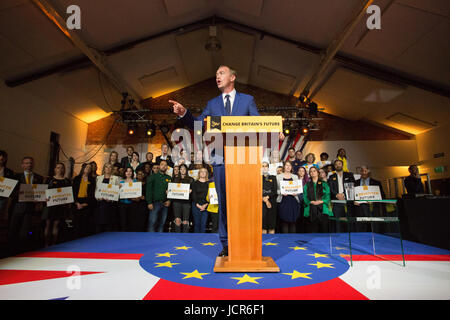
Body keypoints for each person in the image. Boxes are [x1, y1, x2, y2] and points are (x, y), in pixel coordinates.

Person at [171, 65, 285, 256]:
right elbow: (198, 126)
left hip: (244, 162)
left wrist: (273, 131)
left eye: (221, 73)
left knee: (244, 203)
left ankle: (247, 243)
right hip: (221, 161)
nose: (217, 76)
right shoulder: (212, 104)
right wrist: (184, 113)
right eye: (215, 74)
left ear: (233, 77)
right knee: (224, 205)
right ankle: (226, 245)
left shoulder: (247, 100)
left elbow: (257, 123)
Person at [8, 156, 44, 254]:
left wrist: (39, 200)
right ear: (22, 165)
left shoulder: (39, 178)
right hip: (17, 207)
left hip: (30, 208)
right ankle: (10, 252)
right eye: (26, 163)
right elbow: (11, 192)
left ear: (33, 164)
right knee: (13, 230)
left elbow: (40, 193)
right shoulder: (16, 177)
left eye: (31, 163)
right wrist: (22, 193)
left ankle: (22, 252)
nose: (29, 165)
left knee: (25, 232)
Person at [43, 163, 71, 247]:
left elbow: (69, 194)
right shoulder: (49, 180)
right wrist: (45, 198)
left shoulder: (66, 181)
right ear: (55, 169)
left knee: (56, 225)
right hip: (49, 206)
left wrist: (68, 202)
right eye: (58, 168)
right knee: (47, 225)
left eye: (62, 168)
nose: (60, 169)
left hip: (60, 206)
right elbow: (43, 192)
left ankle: (53, 244)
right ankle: (46, 244)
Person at [353, 165, 386, 232]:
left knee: (374, 230)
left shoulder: (376, 183)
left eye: (365, 171)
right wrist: (354, 201)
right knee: (361, 231)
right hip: (359, 209)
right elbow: (352, 195)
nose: (364, 172)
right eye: (362, 171)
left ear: (369, 172)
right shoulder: (355, 183)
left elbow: (382, 196)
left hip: (372, 209)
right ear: (360, 172)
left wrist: (374, 201)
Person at [327, 159, 355, 233]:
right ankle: (338, 238)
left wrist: (344, 194)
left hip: (348, 200)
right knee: (338, 222)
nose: (338, 165)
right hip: (336, 201)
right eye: (336, 164)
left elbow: (352, 186)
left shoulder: (349, 175)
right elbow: (330, 187)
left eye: (339, 164)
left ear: (342, 165)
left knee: (349, 221)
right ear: (334, 166)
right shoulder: (331, 176)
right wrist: (336, 195)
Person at [303, 166, 332, 233]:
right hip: (311, 209)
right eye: (311, 171)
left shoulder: (324, 184)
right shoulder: (307, 185)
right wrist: (310, 202)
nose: (312, 173)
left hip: (323, 209)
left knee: (324, 230)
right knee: (312, 231)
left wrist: (321, 201)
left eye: (314, 171)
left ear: (318, 173)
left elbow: (328, 195)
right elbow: (305, 196)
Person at [146, 160, 171, 232]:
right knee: (152, 222)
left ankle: (159, 240)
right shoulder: (153, 177)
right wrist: (149, 202)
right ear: (159, 166)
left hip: (165, 203)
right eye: (162, 164)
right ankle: (150, 240)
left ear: (167, 167)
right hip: (154, 203)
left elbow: (171, 191)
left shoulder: (169, 178)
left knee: (162, 223)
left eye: (165, 165)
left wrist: (169, 200)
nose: (164, 166)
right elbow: (148, 190)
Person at [72, 163, 96, 239]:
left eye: (90, 167)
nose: (88, 168)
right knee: (76, 224)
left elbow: (92, 194)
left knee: (85, 224)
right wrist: (77, 203)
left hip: (87, 204)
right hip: (77, 203)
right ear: (83, 168)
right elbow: (73, 192)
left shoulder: (92, 180)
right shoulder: (76, 178)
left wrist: (85, 204)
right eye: (87, 167)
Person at [95, 163, 120, 233]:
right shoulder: (98, 178)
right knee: (99, 225)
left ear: (111, 169)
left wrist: (112, 199)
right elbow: (96, 191)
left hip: (110, 205)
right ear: (104, 168)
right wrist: (99, 198)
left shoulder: (115, 178)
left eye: (110, 167)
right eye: (106, 167)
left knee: (109, 226)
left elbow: (117, 192)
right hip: (101, 204)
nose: (108, 168)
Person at [276, 161, 301, 233]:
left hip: (293, 201)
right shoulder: (278, 177)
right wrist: (281, 192)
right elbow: (276, 190)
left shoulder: (295, 177)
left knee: (293, 221)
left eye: (289, 165)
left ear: (291, 167)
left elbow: (298, 189)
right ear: (284, 167)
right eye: (286, 165)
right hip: (283, 200)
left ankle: (292, 241)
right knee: (284, 221)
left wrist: (296, 192)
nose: (288, 167)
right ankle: (285, 240)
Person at [171, 164, 193, 233]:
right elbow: (171, 190)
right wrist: (169, 191)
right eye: (181, 169)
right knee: (177, 220)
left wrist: (191, 191)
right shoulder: (175, 179)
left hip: (186, 203)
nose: (182, 170)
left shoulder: (191, 179)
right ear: (179, 170)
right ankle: (178, 236)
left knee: (185, 221)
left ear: (186, 170)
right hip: (176, 202)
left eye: (184, 169)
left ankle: (185, 236)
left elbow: (194, 191)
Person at [118, 167, 137, 231]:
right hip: (123, 204)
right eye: (127, 171)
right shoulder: (121, 182)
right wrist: (119, 188)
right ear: (124, 173)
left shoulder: (135, 181)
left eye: (130, 171)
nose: (128, 173)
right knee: (123, 221)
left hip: (132, 204)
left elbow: (137, 193)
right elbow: (118, 194)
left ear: (132, 173)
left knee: (132, 220)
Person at [191, 167, 210, 233]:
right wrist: (198, 205)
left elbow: (211, 195)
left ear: (206, 174)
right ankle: (196, 241)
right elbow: (193, 195)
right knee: (197, 224)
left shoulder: (209, 184)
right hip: (196, 205)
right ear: (199, 173)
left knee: (203, 224)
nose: (203, 173)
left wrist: (205, 205)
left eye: (204, 171)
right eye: (201, 171)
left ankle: (202, 241)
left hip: (206, 206)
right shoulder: (194, 183)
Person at [262, 162, 277, 234]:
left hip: (272, 202)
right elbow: (256, 190)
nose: (264, 167)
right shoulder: (258, 178)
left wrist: (267, 198)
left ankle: (271, 243)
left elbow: (274, 190)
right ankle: (264, 243)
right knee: (263, 225)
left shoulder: (273, 177)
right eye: (263, 166)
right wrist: (263, 199)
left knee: (271, 225)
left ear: (268, 168)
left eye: (266, 166)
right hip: (261, 202)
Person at [0, 150, 15, 217]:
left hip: (2, 199)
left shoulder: (9, 172)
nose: (1, 157)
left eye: (3, 156)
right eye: (0, 155)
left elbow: (10, 188)